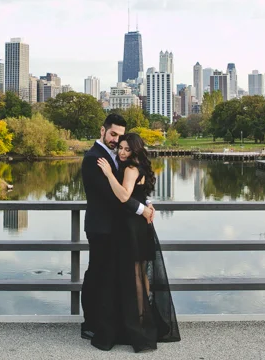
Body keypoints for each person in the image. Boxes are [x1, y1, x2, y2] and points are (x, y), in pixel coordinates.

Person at [97, 132, 181, 352]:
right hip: (141, 226)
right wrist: (148, 206)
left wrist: (108, 174)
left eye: (127, 149)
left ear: (135, 150)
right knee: (141, 273)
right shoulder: (143, 167)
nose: (122, 152)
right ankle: (143, 319)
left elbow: (124, 196)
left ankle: (138, 326)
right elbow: (143, 193)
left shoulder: (130, 169)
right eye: (120, 148)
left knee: (135, 274)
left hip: (129, 227)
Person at [80, 114, 156, 351]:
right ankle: (90, 324)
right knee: (96, 276)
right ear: (102, 130)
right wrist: (143, 209)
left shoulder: (117, 158)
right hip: (101, 228)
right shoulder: (94, 159)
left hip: (118, 229)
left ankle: (117, 323)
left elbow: (129, 190)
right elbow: (116, 198)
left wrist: (144, 202)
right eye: (113, 134)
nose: (116, 141)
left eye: (121, 138)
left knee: (112, 277)